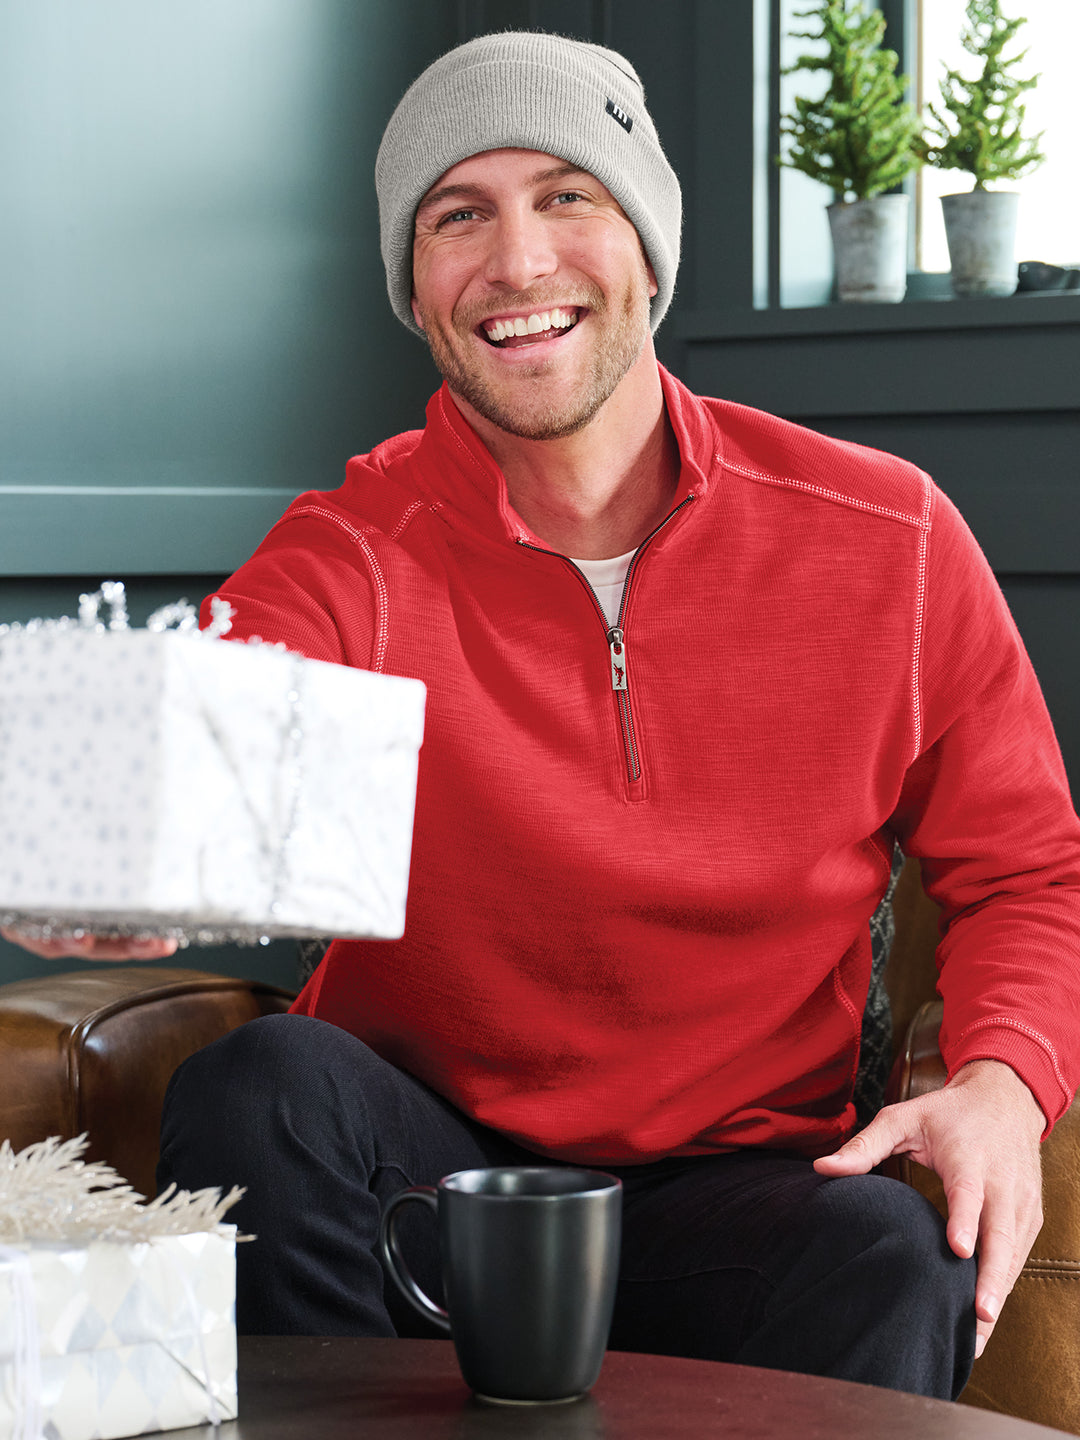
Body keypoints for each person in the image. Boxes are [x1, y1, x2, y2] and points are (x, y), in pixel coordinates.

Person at [11, 31, 1080, 1400]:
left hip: (741, 1189)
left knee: (891, 1244)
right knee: (263, 1084)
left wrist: (1003, 1077)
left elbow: (1030, 870)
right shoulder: (358, 547)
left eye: (566, 195)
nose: (517, 264)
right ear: (416, 285)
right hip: (436, 1179)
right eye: (460, 216)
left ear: (647, 246)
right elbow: (188, 715)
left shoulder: (890, 537)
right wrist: (82, 838)